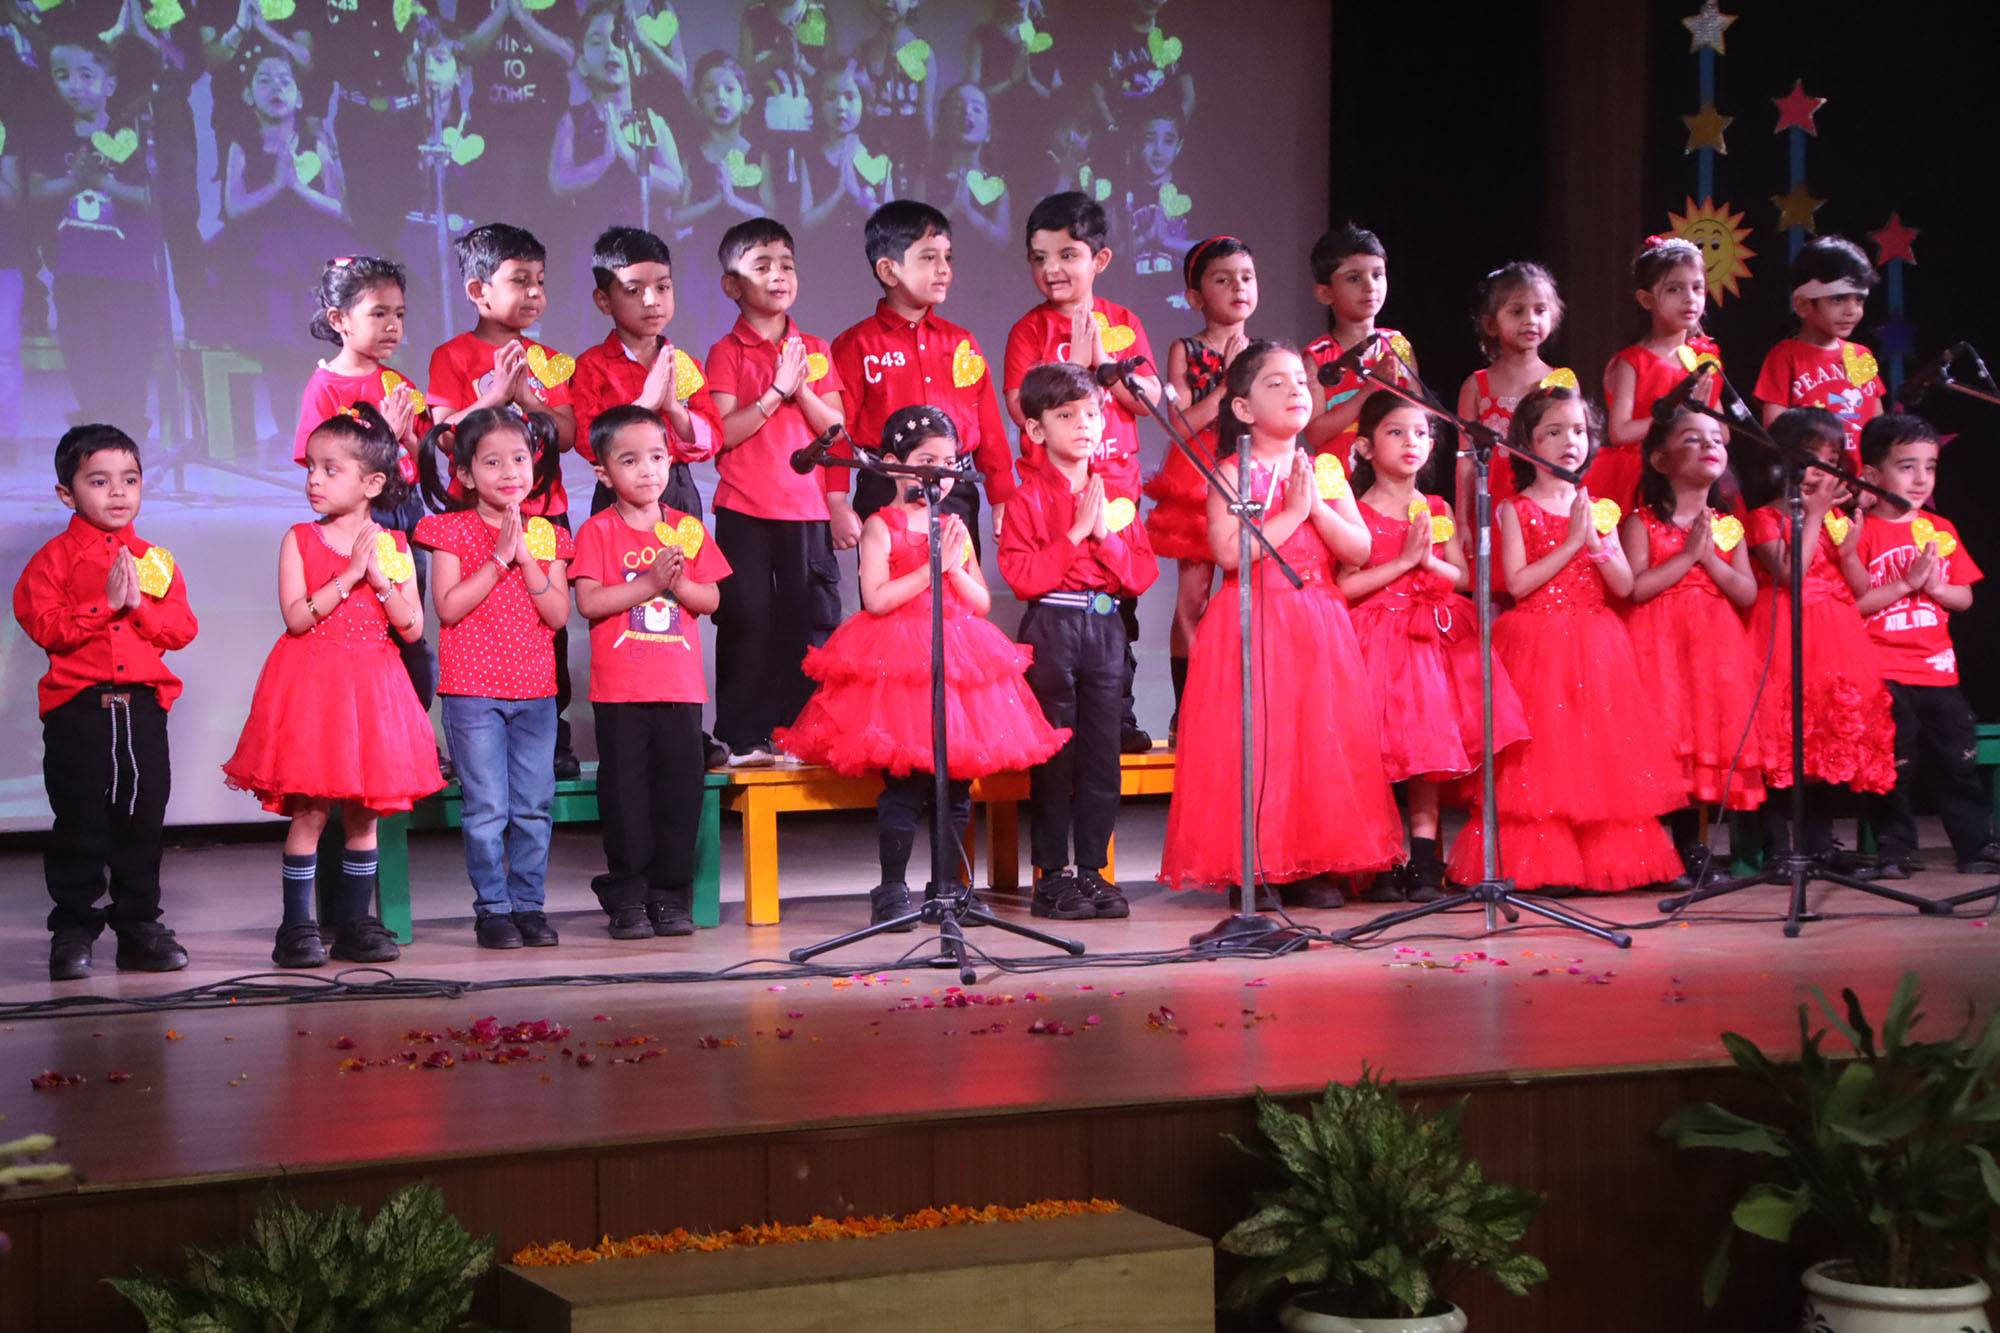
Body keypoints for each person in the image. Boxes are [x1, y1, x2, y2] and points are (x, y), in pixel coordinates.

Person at [777, 407, 1069, 928]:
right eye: (927, 460)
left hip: (955, 658)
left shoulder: (955, 525)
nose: (940, 472)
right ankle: (891, 889)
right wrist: (933, 568)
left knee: (955, 788)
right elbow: (876, 599)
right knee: (905, 787)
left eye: (949, 462)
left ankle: (948, 888)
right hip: (898, 663)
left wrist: (953, 568)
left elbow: (980, 601)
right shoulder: (880, 526)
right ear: (895, 463)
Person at [1158, 342, 1403, 907]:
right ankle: (1259, 864)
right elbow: (1228, 553)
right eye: (1276, 383)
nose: (1296, 390)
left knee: (1316, 739)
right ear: (1243, 408)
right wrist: (1292, 511)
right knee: (1261, 741)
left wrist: (1314, 506)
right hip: (1252, 618)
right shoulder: (1230, 471)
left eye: (1299, 380)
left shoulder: (1324, 469)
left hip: (1317, 619)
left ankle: (1312, 860)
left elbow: (1360, 549)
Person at [222, 405, 442, 968]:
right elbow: (297, 617)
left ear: (372, 484)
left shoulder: (393, 544)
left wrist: (380, 578)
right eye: (311, 468)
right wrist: (348, 576)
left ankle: (355, 923)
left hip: (372, 689)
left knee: (363, 815)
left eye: (330, 469)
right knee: (312, 812)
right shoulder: (300, 538)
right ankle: (297, 926)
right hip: (315, 690)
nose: (314, 480)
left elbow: (412, 628)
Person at [1445, 386, 1684, 895]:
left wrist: (1595, 542)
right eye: (1553, 432)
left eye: (1578, 431)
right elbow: (1519, 582)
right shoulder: (1516, 509)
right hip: (1537, 640)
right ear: (1527, 443)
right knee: (1542, 757)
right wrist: (1572, 542)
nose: (1569, 441)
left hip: (1596, 641)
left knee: (1598, 753)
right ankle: (1543, 860)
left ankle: (1608, 860)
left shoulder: (1599, 509)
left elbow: (1624, 585)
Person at [13, 425, 196, 981]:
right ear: (66, 493)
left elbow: (181, 629)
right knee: (81, 822)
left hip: (141, 709)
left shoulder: (153, 559)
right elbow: (44, 625)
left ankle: (139, 928)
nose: (118, 492)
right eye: (99, 481)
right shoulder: (54, 559)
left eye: (130, 480)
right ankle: (73, 931)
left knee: (142, 820)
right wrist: (104, 604)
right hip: (80, 711)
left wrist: (137, 605)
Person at [1338, 394, 1529, 904]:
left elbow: (1460, 576)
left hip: (1430, 641)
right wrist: (1403, 563)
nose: (1412, 442)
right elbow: (1346, 585)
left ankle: (1424, 860)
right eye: (1396, 432)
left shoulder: (1437, 507)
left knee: (1426, 752)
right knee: (1375, 753)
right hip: (1375, 639)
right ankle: (1380, 859)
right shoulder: (1356, 512)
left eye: (1421, 433)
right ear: (1365, 447)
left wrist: (1426, 562)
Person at [1000, 363, 1160, 920]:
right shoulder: (1026, 500)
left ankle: (1092, 869)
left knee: (1101, 756)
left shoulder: (1116, 496)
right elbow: (1023, 579)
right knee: (1056, 756)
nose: (1084, 425)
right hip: (1054, 626)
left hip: (1106, 628)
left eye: (1092, 413)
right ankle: (1051, 876)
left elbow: (1141, 574)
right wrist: (1073, 536)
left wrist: (1105, 536)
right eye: (1067, 415)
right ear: (1036, 429)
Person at [426, 221, 583, 778]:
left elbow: (567, 435)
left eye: (540, 280)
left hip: (542, 513)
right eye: (520, 280)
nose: (535, 292)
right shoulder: (452, 356)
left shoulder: (549, 359)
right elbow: (446, 436)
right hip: (476, 519)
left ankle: (551, 735)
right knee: (480, 620)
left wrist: (529, 399)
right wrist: (494, 396)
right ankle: (481, 737)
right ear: (478, 290)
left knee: (547, 628)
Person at [1006, 190, 1160, 751]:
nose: (1052, 269)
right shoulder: (1029, 331)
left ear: (1100, 260)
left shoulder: (1122, 322)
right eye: (1039, 258)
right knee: (1058, 601)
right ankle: (1058, 721)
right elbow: (1019, 407)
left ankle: (1118, 714)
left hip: (1114, 489)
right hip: (1053, 491)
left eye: (1067, 255)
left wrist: (1101, 364)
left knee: (1119, 607)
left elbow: (1148, 400)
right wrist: (1071, 367)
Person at [570, 406, 731, 939]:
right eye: (630, 460)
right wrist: (649, 583)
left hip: (680, 690)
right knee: (626, 799)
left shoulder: (687, 529)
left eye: (657, 457)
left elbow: (710, 598)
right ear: (603, 473)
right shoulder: (598, 530)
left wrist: (677, 583)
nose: (648, 470)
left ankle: (668, 895)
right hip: (621, 693)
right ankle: (628, 895)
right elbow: (590, 602)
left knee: (678, 795)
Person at [413, 409, 572, 950]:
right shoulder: (449, 531)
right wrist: (499, 560)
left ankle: (529, 904)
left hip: (536, 694)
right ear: (464, 473)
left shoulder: (548, 536)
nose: (509, 472)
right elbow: (448, 607)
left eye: (519, 459)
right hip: (473, 693)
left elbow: (557, 614)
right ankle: (494, 909)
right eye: (493, 462)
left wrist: (525, 556)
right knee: (486, 810)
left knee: (533, 807)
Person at [703, 217, 846, 768]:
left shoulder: (815, 348)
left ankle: (799, 733)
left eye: (787, 264)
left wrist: (800, 389)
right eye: (761, 266)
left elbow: (837, 431)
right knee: (747, 620)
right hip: (744, 508)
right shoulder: (726, 351)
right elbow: (721, 433)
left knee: (805, 623)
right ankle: (743, 736)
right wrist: (774, 393)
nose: (779, 275)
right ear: (732, 285)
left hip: (806, 510)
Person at [296, 256, 439, 762]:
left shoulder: (398, 383)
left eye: (399, 314)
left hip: (405, 511)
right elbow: (320, 463)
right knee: (363, 629)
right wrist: (382, 436)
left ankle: (413, 735)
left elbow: (424, 453)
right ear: (339, 319)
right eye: (379, 313)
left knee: (408, 626)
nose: (392, 325)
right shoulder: (324, 388)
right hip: (357, 519)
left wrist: (406, 438)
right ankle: (365, 739)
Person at [1618, 401, 1767, 877]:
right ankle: (1654, 851)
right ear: (1660, 459)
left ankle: (1693, 847)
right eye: (1693, 439)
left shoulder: (1727, 526)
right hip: (1658, 649)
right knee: (1665, 743)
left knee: (1702, 743)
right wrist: (1686, 557)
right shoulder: (1641, 521)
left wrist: (1708, 558)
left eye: (1716, 439)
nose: (1709, 446)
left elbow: (1747, 592)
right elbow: (1635, 587)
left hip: (1712, 652)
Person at [1744, 408, 1898, 857]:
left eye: (1832, 461)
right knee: (1782, 741)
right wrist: (1812, 515)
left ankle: (1818, 849)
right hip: (1784, 633)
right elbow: (1792, 572)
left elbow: (1860, 587)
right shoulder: (1763, 518)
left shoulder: (1835, 521)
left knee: (1826, 743)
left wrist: (1848, 553)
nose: (1823, 472)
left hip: (1836, 637)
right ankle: (1777, 850)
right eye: (1813, 460)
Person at [1854, 414, 2000, 876]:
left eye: (1930, 467)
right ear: (1872, 474)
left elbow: (1965, 597)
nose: (1921, 478)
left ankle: (1975, 846)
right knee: (1893, 764)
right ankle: (1895, 850)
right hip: (1881, 671)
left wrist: (1935, 587)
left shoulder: (1940, 528)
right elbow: (1853, 604)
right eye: (1907, 466)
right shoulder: (1860, 531)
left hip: (1936, 669)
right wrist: (1905, 584)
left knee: (1957, 760)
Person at [829, 200, 1015, 550]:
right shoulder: (856, 345)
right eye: (929, 257)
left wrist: (1002, 498)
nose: (943, 269)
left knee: (958, 580)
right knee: (890, 580)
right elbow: (837, 431)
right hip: (885, 487)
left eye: (948, 257)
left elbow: (989, 428)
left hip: (954, 486)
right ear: (888, 270)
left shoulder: (961, 343)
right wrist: (836, 502)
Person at [23, 37, 169, 434]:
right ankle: (94, 430)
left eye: (86, 75)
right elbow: (37, 190)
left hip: (129, 275)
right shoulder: (52, 136)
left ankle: (129, 434)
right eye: (63, 76)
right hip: (74, 272)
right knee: (84, 359)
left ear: (110, 83)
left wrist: (102, 182)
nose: (75, 85)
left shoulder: (132, 136)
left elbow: (150, 197)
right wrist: (76, 180)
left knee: (129, 360)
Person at [1144, 235, 1255, 740]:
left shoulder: (1264, 353)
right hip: (1199, 472)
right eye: (1223, 279)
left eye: (1246, 277)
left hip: (1249, 470)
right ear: (1195, 296)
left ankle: (1239, 707)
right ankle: (1187, 709)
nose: (1238, 287)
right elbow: (1181, 424)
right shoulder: (1185, 350)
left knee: (1249, 597)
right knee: (1194, 598)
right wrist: (1229, 384)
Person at [570, 226, 722, 522]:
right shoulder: (592, 365)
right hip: (617, 494)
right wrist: (644, 406)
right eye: (633, 290)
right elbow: (587, 442)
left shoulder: (684, 363)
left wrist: (674, 409)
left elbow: (712, 439)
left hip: (677, 490)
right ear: (604, 300)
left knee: (681, 554)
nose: (651, 300)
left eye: (662, 287)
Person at [219, 49, 350, 351]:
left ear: (299, 98)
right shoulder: (242, 146)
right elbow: (233, 207)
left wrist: (297, 187)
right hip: (259, 242)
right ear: (248, 95)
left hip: (313, 238)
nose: (275, 88)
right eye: (265, 81)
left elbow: (338, 206)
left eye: (284, 81)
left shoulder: (315, 143)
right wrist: (275, 186)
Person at [1600, 236, 1724, 510]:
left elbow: (1724, 434)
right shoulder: (1633, 361)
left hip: (1689, 472)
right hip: (1642, 475)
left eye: (1697, 288)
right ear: (1646, 300)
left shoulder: (1705, 359)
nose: (1689, 298)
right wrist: (1679, 414)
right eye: (1674, 289)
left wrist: (1703, 415)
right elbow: (1619, 431)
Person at [1754, 235, 1886, 473]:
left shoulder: (1861, 355)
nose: (1852, 310)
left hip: (1862, 487)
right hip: (1810, 484)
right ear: (1803, 304)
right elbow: (1775, 434)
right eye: (1838, 299)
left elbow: (1879, 431)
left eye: (1859, 299)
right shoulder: (1783, 357)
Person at [1453, 262, 1570, 526]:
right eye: (1517, 311)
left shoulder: (1561, 382)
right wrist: (1462, 521)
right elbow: (1466, 461)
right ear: (1491, 324)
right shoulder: (1476, 386)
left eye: (1540, 310)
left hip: (1544, 505)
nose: (1531, 320)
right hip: (1491, 504)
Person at [1303, 223, 1416, 469]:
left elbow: (1418, 413)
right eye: (1354, 278)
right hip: (1340, 483)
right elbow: (1314, 433)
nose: (1370, 285)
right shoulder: (1319, 356)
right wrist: (1370, 389)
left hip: (1391, 479)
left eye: (1377, 274)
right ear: (1325, 293)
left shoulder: (1397, 345)